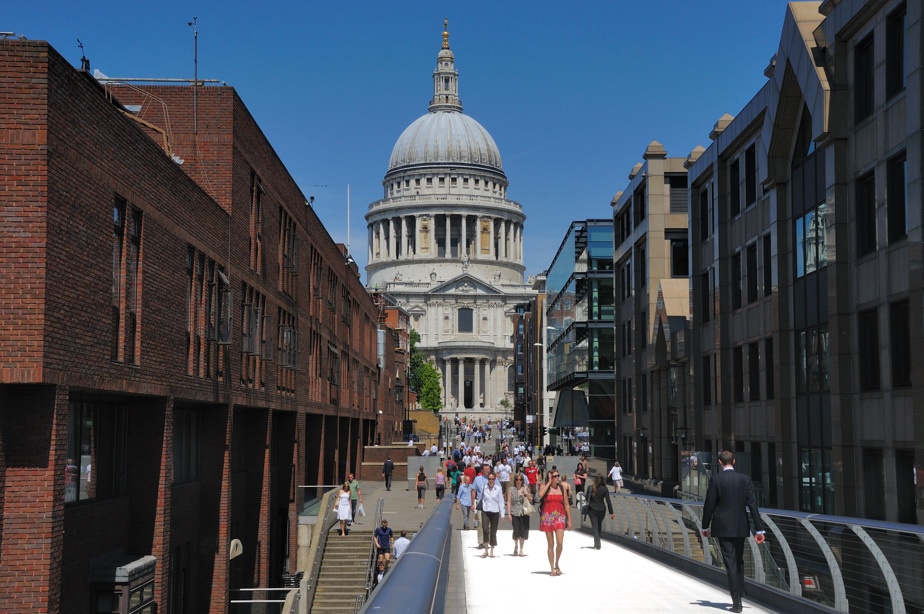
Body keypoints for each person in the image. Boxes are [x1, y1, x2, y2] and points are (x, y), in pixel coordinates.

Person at [701, 450, 766, 613]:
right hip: (740, 526)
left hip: (722, 526)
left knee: (730, 562)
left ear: (719, 462)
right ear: (734, 461)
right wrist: (759, 529)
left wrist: (704, 526)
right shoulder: (744, 479)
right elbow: (753, 505)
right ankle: (740, 590)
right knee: (739, 560)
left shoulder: (716, 479)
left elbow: (709, 504)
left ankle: (736, 600)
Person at [537, 469, 572, 576]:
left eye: (558, 475)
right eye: (555, 476)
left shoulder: (561, 487)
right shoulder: (544, 487)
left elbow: (566, 504)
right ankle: (552, 567)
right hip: (547, 517)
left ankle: (557, 563)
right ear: (550, 477)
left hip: (560, 516)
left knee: (560, 542)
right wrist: (548, 483)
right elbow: (540, 495)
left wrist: (569, 520)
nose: (557, 477)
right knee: (551, 543)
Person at [478, 472, 506, 558]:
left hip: (495, 512)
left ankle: (492, 550)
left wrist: (502, 514)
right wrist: (476, 512)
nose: (490, 480)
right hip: (485, 511)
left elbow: (501, 501)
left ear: (494, 480)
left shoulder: (498, 489)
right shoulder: (484, 488)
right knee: (485, 530)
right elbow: (480, 499)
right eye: (489, 479)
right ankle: (486, 549)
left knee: (493, 531)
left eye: (492, 479)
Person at [506, 472, 533, 556]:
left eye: (520, 480)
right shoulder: (511, 489)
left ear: (522, 481)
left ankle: (521, 549)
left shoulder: (526, 488)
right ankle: (516, 545)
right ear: (515, 480)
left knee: (523, 531)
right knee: (516, 531)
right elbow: (509, 501)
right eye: (517, 479)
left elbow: (531, 499)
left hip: (524, 512)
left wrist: (527, 494)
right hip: (514, 512)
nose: (519, 481)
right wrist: (509, 514)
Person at [586, 475, 614, 549]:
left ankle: (597, 544)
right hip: (601, 510)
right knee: (599, 526)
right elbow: (608, 501)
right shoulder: (604, 489)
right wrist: (611, 512)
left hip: (592, 509)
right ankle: (597, 542)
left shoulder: (590, 488)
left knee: (595, 526)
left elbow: (586, 498)